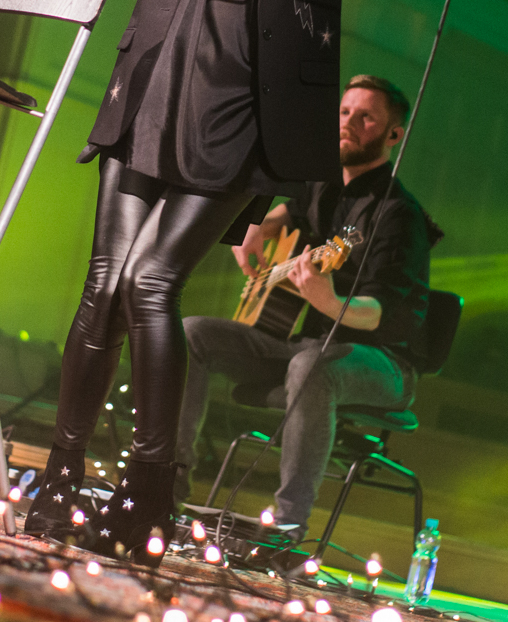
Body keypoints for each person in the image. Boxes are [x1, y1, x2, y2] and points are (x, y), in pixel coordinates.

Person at [21, 0, 508, 560]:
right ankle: (62, 475)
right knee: (104, 282)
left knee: (151, 282)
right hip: (154, 80)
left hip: (240, 102)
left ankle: (149, 493)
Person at [174, 75, 436, 535]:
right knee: (192, 332)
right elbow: (287, 215)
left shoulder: (400, 215)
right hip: (300, 343)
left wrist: (329, 302)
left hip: (385, 363)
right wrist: (258, 227)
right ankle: (167, 480)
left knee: (312, 368)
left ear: (394, 135)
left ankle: (288, 525)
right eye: (344, 112)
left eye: (365, 116)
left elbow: (383, 312)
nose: (348, 123)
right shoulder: (323, 182)